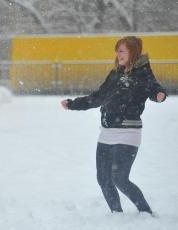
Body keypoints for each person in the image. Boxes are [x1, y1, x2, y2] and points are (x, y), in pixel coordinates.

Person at [60, 36, 167, 215]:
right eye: (117, 51)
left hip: (129, 131)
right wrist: (73, 104)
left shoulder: (143, 73)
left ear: (133, 52)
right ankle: (117, 214)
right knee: (103, 178)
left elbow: (155, 88)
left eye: (122, 51)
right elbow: (98, 97)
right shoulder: (115, 74)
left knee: (119, 177)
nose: (118, 54)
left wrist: (159, 94)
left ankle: (146, 213)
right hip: (107, 132)